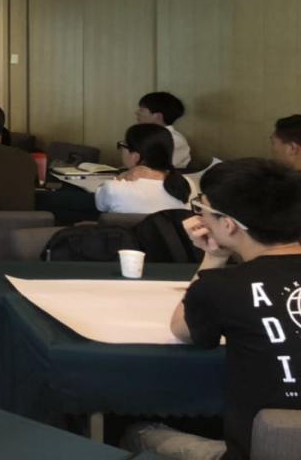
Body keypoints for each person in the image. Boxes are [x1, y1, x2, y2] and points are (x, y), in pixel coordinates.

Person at [125, 159, 301, 460]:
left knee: (137, 433)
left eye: (201, 209)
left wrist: (213, 258)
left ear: (228, 224)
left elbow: (181, 329)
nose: (199, 218)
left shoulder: (223, 286)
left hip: (257, 452)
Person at [94, 124, 191, 214]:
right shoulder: (186, 186)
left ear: (135, 157)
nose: (121, 150)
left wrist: (120, 177)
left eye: (123, 145)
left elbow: (99, 203)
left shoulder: (113, 189)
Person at [136, 92, 191, 168]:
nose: (137, 113)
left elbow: (155, 168)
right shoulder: (148, 135)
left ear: (158, 116)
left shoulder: (175, 139)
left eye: (142, 110)